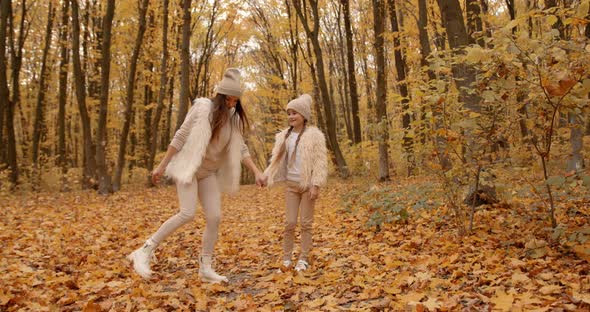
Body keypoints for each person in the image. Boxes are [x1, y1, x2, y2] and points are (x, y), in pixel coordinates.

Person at [127, 68, 265, 283]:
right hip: (188, 169)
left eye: (236, 101)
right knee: (187, 213)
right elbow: (180, 135)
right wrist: (161, 166)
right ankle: (144, 250)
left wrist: (256, 171)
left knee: (215, 217)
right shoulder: (202, 109)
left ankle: (205, 268)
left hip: (208, 173)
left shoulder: (233, 119)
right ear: (221, 96)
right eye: (229, 99)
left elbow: (241, 148)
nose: (232, 104)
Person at [262, 94, 328, 272]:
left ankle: (304, 258)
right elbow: (276, 160)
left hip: (307, 186)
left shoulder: (315, 136)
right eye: (289, 113)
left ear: (304, 115)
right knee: (290, 223)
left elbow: (320, 162)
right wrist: (266, 176)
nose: (291, 116)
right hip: (291, 186)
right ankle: (286, 258)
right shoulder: (283, 136)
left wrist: (316, 184)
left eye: (295, 113)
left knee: (306, 223)